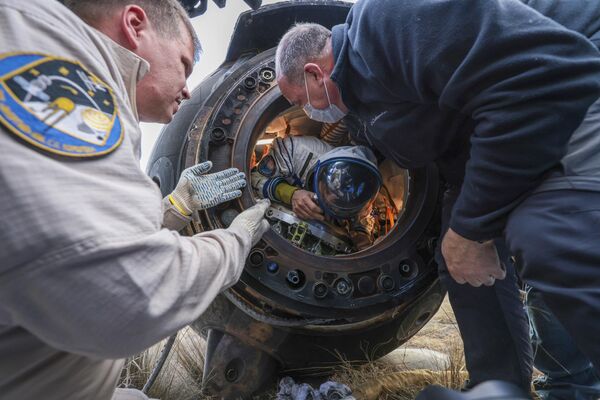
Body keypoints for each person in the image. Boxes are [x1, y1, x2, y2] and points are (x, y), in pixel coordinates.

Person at [274, 0, 600, 392]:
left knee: (547, 231)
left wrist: (472, 228)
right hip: (507, 118)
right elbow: (456, 132)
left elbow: (530, 81)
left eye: (299, 101)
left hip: (571, 70)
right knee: (457, 259)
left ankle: (572, 384)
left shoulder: (385, 21)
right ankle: (498, 387)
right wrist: (462, 235)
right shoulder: (363, 109)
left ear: (314, 73)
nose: (306, 109)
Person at [0, 0, 270, 399]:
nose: (188, 88)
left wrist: (175, 208)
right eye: (183, 63)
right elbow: (127, 298)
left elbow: (67, 239)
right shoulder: (56, 68)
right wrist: (235, 243)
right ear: (134, 24)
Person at [251, 135, 381, 250]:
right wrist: (291, 194)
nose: (328, 199)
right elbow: (254, 177)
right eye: (328, 189)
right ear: (323, 172)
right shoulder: (296, 150)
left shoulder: (360, 203)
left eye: (338, 201)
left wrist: (361, 235)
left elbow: (362, 219)